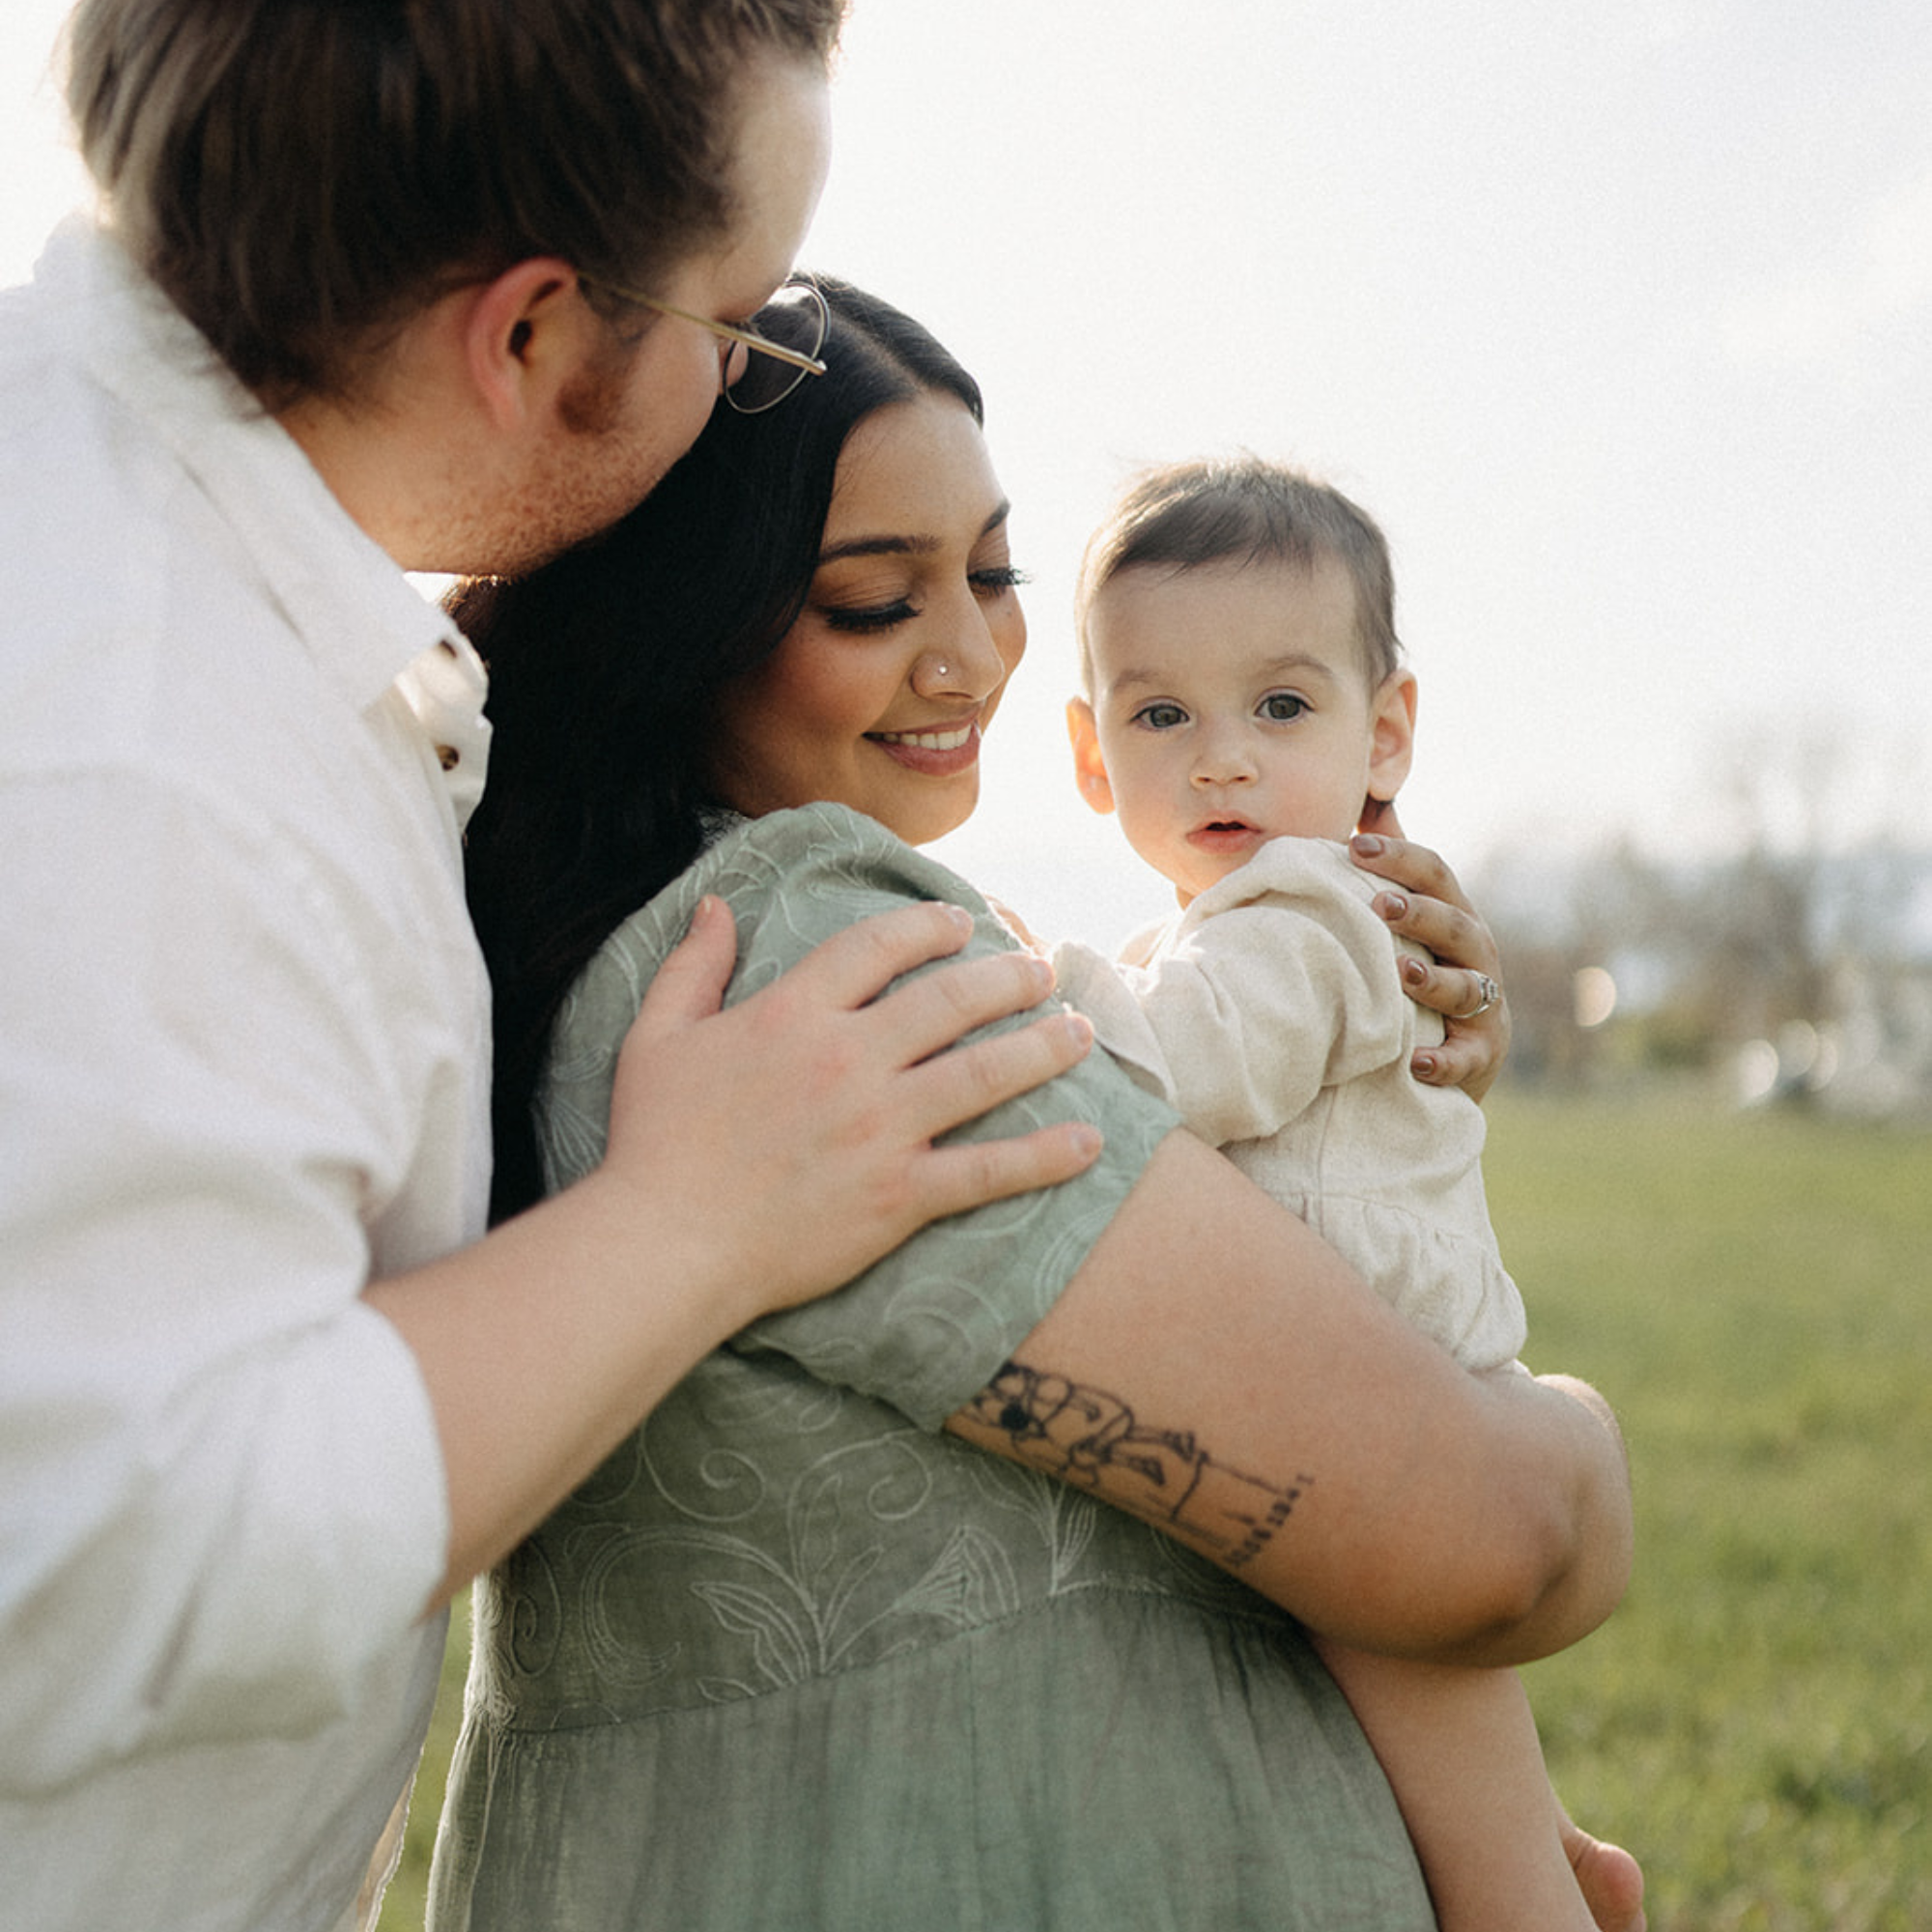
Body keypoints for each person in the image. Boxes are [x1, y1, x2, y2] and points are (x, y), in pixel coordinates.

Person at [0, 9, 1112, 1931]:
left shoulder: (154, 579)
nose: (755, 365)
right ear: (522, 337)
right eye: (742, 321)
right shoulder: (125, 737)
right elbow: (88, 1560)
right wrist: (697, 1216)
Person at [434, 279, 1637, 1930]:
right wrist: (1577, 1437)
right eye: (875, 600)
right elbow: (1491, 1540)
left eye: (995, 574)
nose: (971, 653)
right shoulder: (808, 959)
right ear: (689, 618)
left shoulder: (606, 938)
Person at [1049, 455, 1638, 1930]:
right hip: (1338, 1395)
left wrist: (1008, 973)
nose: (1222, 758)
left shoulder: (1318, 909)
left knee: (1479, 1859)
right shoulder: (1209, 929)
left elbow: (1181, 1065)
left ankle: (1552, 1892)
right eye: (1163, 713)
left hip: (1391, 1427)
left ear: (1387, 735)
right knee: (1450, 1792)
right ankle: (1566, 1869)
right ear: (1089, 751)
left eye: (1283, 707)